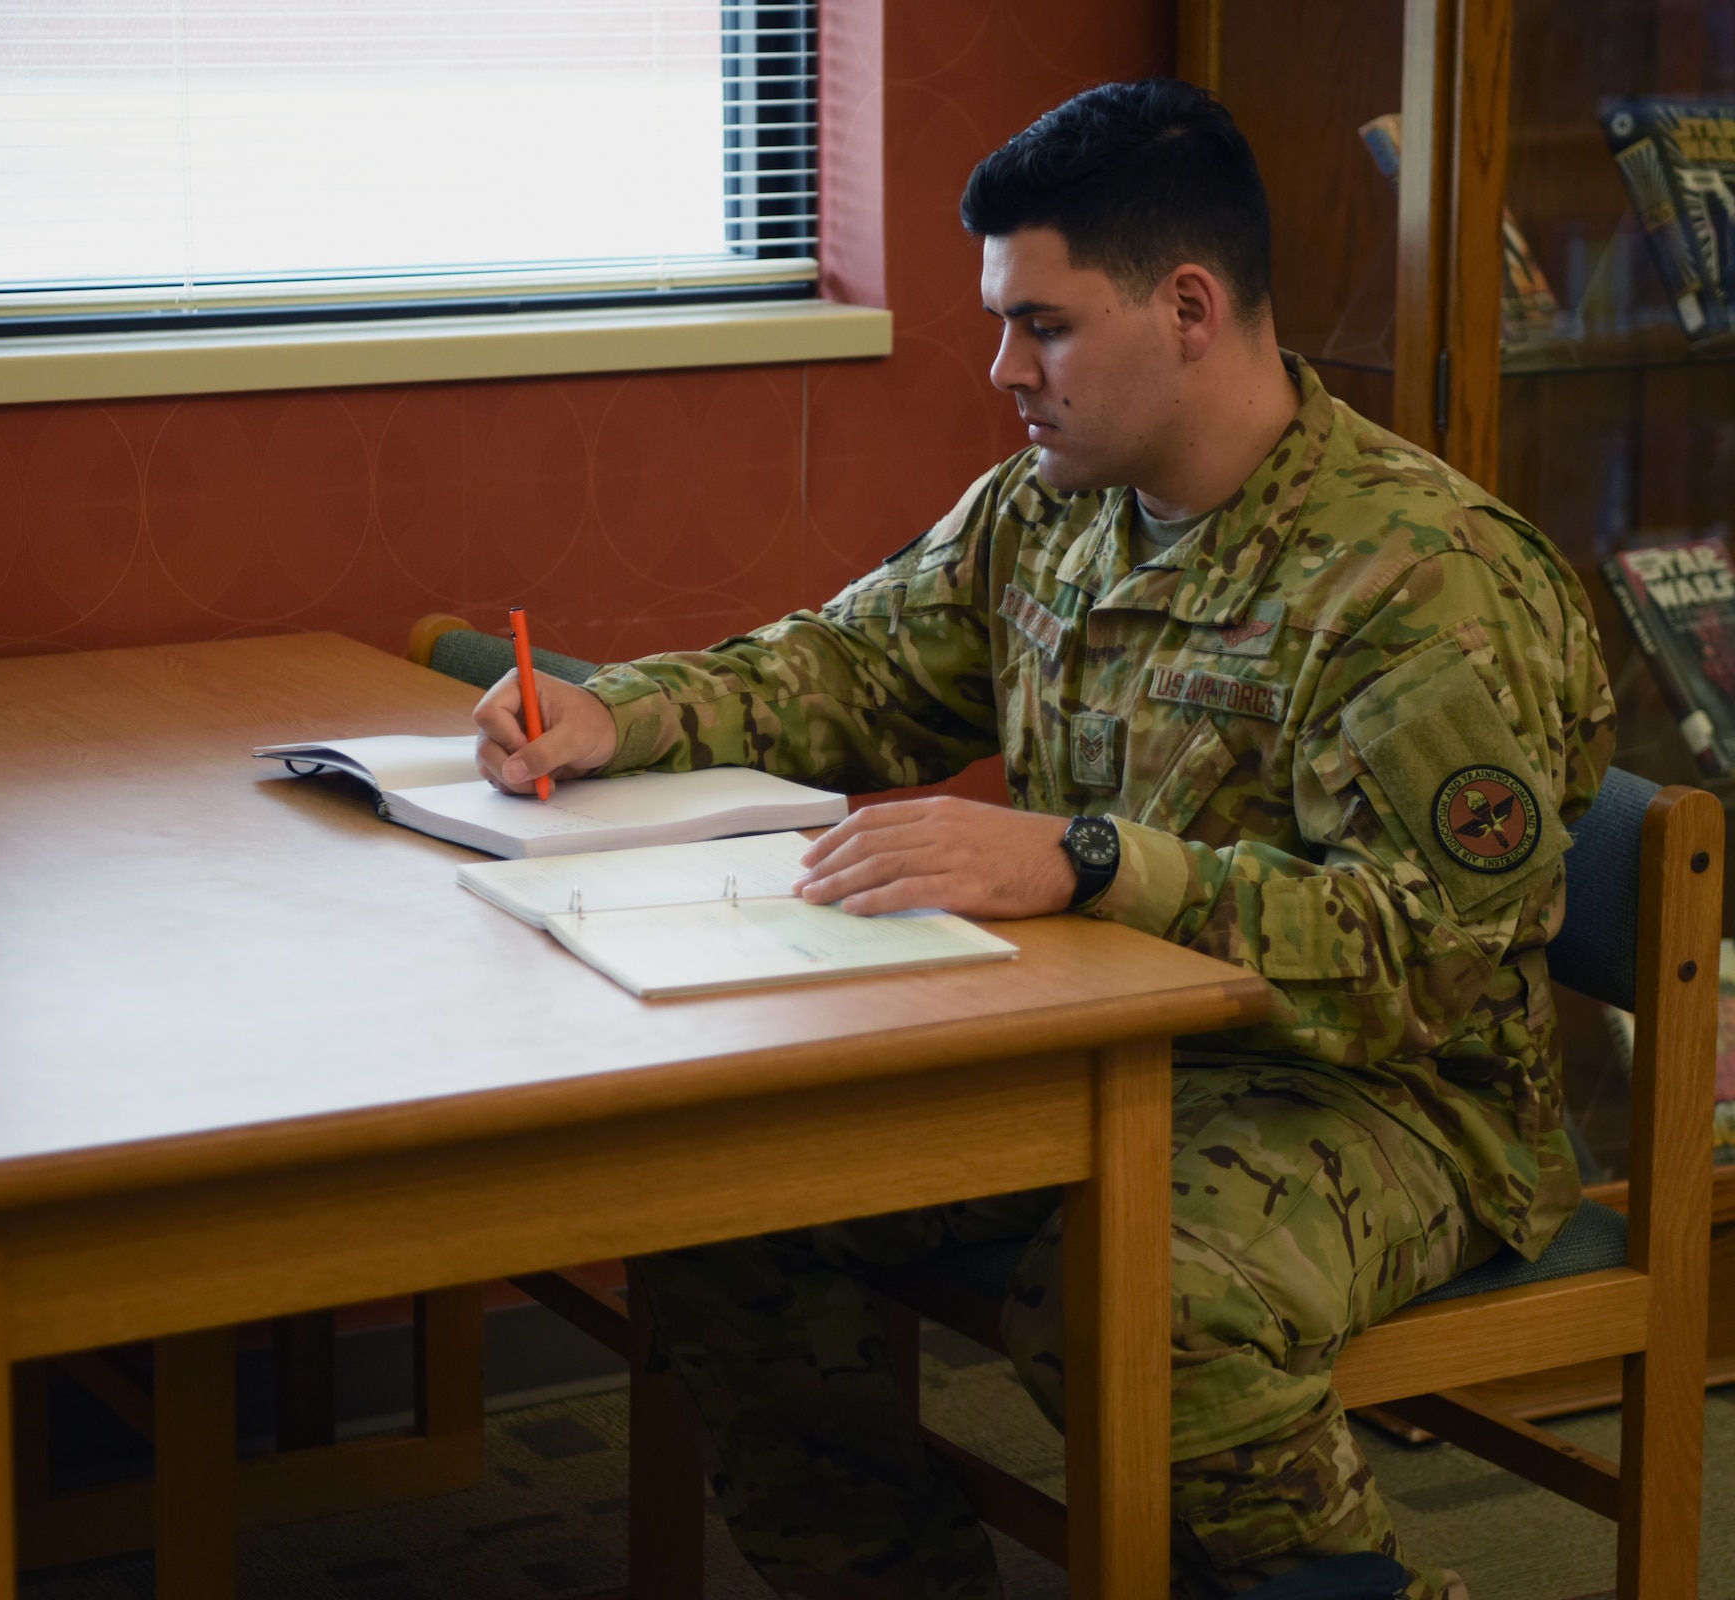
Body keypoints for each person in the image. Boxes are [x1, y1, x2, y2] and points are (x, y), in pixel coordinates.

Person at [473, 80, 1613, 1600]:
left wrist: (1086, 861)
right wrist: (622, 715)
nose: (1004, 367)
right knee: (730, 1199)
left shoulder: (1422, 579)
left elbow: (1433, 965)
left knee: (1144, 1296)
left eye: (1046, 325)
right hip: (1094, 1050)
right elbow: (857, 672)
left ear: (1190, 307)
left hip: (1386, 1097)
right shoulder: (1048, 512)